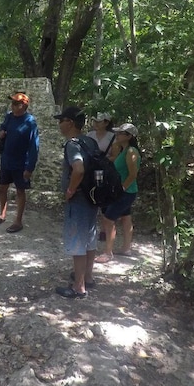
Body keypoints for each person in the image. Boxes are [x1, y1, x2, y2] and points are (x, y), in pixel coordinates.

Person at [55, 106, 99, 299]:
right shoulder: (90, 141)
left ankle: (78, 287)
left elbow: (79, 169)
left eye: (61, 120)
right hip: (92, 196)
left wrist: (71, 190)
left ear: (70, 123)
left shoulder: (72, 144)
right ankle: (88, 277)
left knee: (77, 242)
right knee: (89, 238)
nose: (59, 124)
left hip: (80, 198)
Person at [0, 92, 39, 233]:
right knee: (2, 188)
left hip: (21, 162)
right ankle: (2, 214)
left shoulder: (30, 122)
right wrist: (1, 132)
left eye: (15, 103)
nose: (12, 106)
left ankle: (18, 221)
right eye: (11, 103)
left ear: (23, 106)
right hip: (6, 160)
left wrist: (30, 167)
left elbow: (34, 146)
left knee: (20, 190)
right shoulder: (9, 117)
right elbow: (3, 127)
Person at [96, 123, 141, 262]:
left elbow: (133, 174)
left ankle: (108, 252)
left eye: (121, 133)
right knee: (126, 218)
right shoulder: (124, 150)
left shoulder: (131, 152)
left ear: (129, 136)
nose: (117, 135)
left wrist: (121, 189)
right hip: (127, 191)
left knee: (108, 219)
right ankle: (126, 248)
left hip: (125, 192)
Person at [87, 112, 117, 243]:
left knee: (105, 200)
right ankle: (90, 227)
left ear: (106, 122)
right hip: (91, 171)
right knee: (90, 196)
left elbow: (115, 155)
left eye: (99, 121)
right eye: (95, 121)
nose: (96, 124)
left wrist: (103, 160)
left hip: (106, 171)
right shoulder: (89, 135)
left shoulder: (113, 137)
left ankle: (105, 230)